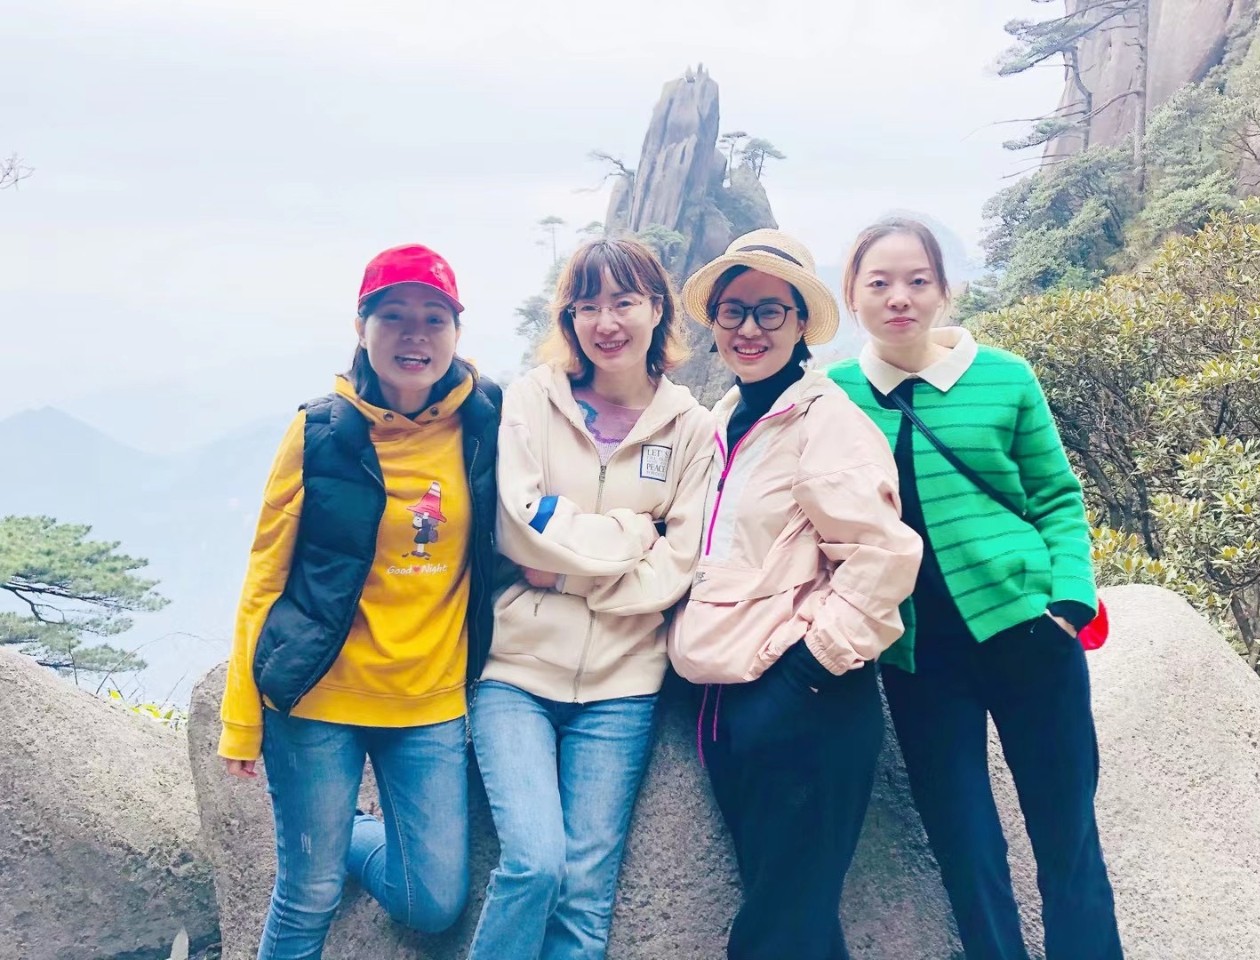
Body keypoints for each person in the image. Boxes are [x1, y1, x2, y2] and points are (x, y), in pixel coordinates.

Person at [828, 217, 1123, 960]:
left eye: (917, 281)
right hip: (917, 655)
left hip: (1028, 632)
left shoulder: (1004, 376)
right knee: (965, 843)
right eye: (879, 283)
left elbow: (1056, 496)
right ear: (852, 296)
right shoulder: (833, 397)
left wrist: (1069, 603)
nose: (899, 298)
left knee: (1067, 835)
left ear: (943, 291)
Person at [218, 243, 501, 960]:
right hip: (319, 695)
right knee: (307, 894)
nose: (415, 335)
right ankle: (322, 839)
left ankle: (345, 834)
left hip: (430, 699)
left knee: (432, 902)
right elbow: (265, 575)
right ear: (361, 327)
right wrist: (240, 718)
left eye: (434, 318)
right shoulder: (319, 431)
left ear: (457, 332)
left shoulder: (486, 420)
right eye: (394, 316)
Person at [669, 228, 923, 960]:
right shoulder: (720, 421)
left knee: (773, 933)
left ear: (802, 322)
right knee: (797, 927)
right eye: (734, 311)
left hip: (809, 708)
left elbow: (881, 556)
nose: (750, 328)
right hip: (726, 704)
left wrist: (807, 673)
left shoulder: (825, 420)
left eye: (770, 311)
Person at [467, 237, 716, 960]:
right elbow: (518, 527)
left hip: (623, 687)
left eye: (624, 302)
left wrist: (567, 569)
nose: (606, 322)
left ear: (657, 310)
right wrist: (635, 533)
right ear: (569, 318)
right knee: (535, 864)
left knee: (584, 896)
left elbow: (679, 564)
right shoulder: (533, 399)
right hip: (514, 673)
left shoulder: (692, 428)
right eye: (587, 305)